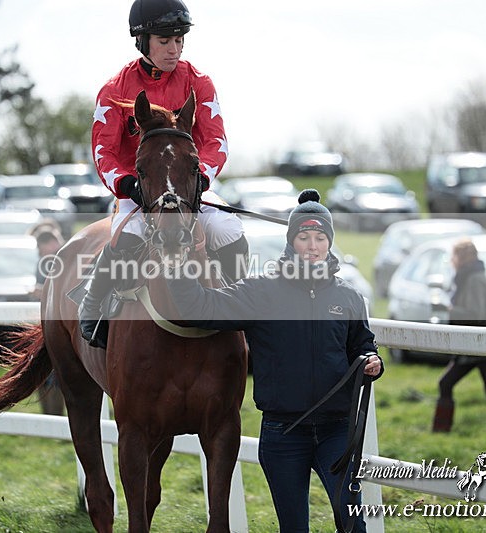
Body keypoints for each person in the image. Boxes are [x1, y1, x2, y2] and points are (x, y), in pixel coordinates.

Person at [164, 189, 383, 533]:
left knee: (353, 523)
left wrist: (371, 360)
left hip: (337, 431)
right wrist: (178, 265)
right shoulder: (261, 292)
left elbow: (361, 344)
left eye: (320, 238)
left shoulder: (349, 297)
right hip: (284, 434)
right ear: (291, 241)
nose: (312, 246)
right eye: (304, 237)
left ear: (329, 243)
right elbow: (200, 308)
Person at [80, 0, 248, 348]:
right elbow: (103, 151)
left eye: (179, 40)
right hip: (138, 191)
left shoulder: (199, 83)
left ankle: (244, 308)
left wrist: (201, 178)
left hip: (188, 187)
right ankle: (92, 307)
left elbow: (215, 142)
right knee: (127, 237)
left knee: (227, 228)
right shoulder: (114, 90)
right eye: (164, 41)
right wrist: (127, 184)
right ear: (143, 41)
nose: (174, 49)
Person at [432, 238, 486, 432]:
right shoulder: (468, 277)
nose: (452, 260)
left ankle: (441, 430)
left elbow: (476, 314)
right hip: (478, 342)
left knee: (446, 383)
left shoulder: (475, 279)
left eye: (454, 255)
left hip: (479, 343)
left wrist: (448, 309)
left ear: (461, 257)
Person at [31, 227, 67, 415]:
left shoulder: (63, 259)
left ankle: (54, 415)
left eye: (41, 247)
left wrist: (42, 292)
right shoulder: (47, 262)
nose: (40, 252)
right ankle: (51, 415)